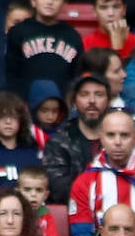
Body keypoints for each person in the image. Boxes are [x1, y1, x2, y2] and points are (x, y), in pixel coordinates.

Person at [67, 110, 135, 236]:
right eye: (111, 135)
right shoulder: (85, 182)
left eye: (124, 135)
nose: (117, 142)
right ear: (101, 138)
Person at [44, 73, 111, 204]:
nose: (92, 100)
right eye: (84, 94)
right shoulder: (59, 142)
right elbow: (58, 190)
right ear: (74, 101)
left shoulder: (121, 137)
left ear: (109, 100)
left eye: (99, 94)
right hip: (74, 215)